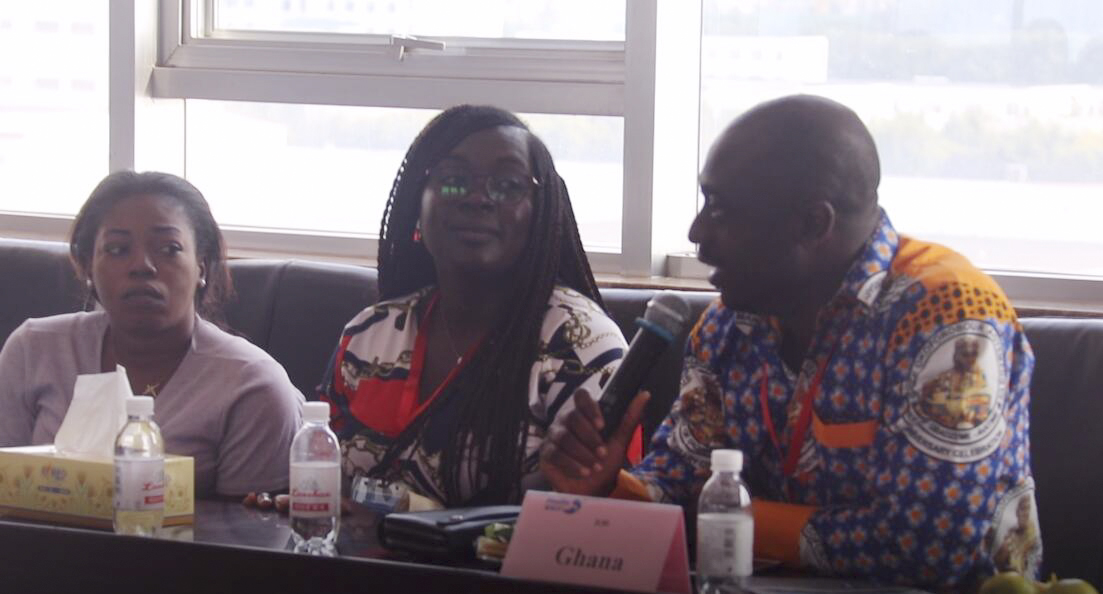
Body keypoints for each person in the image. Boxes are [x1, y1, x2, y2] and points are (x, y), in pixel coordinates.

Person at [539, 95, 1039, 589]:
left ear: (813, 224)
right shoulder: (726, 327)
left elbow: (932, 543)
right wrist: (607, 489)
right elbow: (679, 481)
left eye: (720, 209)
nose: (696, 232)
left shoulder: (945, 317)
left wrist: (733, 519)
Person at [318, 105, 634, 507]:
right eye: (453, 181)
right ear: (417, 204)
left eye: (508, 185)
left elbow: (605, 518)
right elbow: (321, 476)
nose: (477, 198)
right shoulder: (368, 335)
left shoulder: (581, 345)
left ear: (540, 216)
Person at [0, 171, 304, 498]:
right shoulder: (34, 350)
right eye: (117, 249)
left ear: (201, 266)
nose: (142, 266)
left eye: (169, 249)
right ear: (88, 266)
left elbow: (249, 527)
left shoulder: (252, 385)